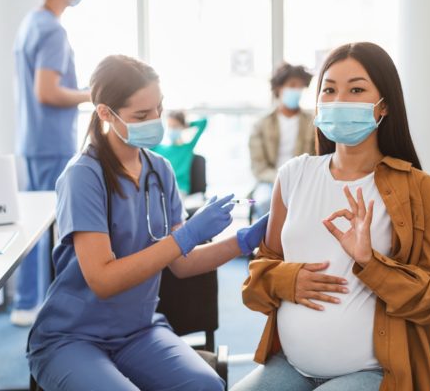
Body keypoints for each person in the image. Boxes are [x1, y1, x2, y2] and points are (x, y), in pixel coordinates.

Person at [27, 55, 269, 391]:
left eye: (159, 108)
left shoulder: (160, 171)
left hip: (138, 329)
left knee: (206, 387)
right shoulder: (83, 176)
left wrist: (242, 241)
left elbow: (182, 266)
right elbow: (103, 280)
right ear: (106, 114)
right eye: (141, 115)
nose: (155, 120)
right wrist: (186, 237)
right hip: (73, 336)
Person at [232, 42, 430, 391]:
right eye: (329, 89)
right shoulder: (294, 175)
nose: (339, 100)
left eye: (356, 89)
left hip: (375, 372)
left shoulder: (423, 193)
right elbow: (258, 277)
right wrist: (286, 279)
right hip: (291, 364)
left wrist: (371, 263)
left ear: (383, 105)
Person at [12, 0, 90, 326]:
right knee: (55, 225)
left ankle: (28, 300)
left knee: (36, 223)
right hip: (52, 141)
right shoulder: (53, 31)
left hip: (34, 140)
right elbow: (46, 91)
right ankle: (38, 303)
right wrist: (92, 93)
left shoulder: (31, 23)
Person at [249, 62, 315, 219]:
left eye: (300, 87)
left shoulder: (312, 122)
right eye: (292, 85)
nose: (297, 90)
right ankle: (270, 243)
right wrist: (283, 179)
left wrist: (297, 180)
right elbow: (259, 168)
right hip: (269, 181)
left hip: (303, 180)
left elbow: (316, 157)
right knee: (264, 202)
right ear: (279, 88)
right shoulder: (261, 124)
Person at [151, 110, 207, 196]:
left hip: (180, 190)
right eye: (170, 126)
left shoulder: (187, 148)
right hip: (160, 189)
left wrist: (187, 125)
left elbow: (203, 122)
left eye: (175, 126)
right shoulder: (157, 148)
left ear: (182, 127)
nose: (172, 129)